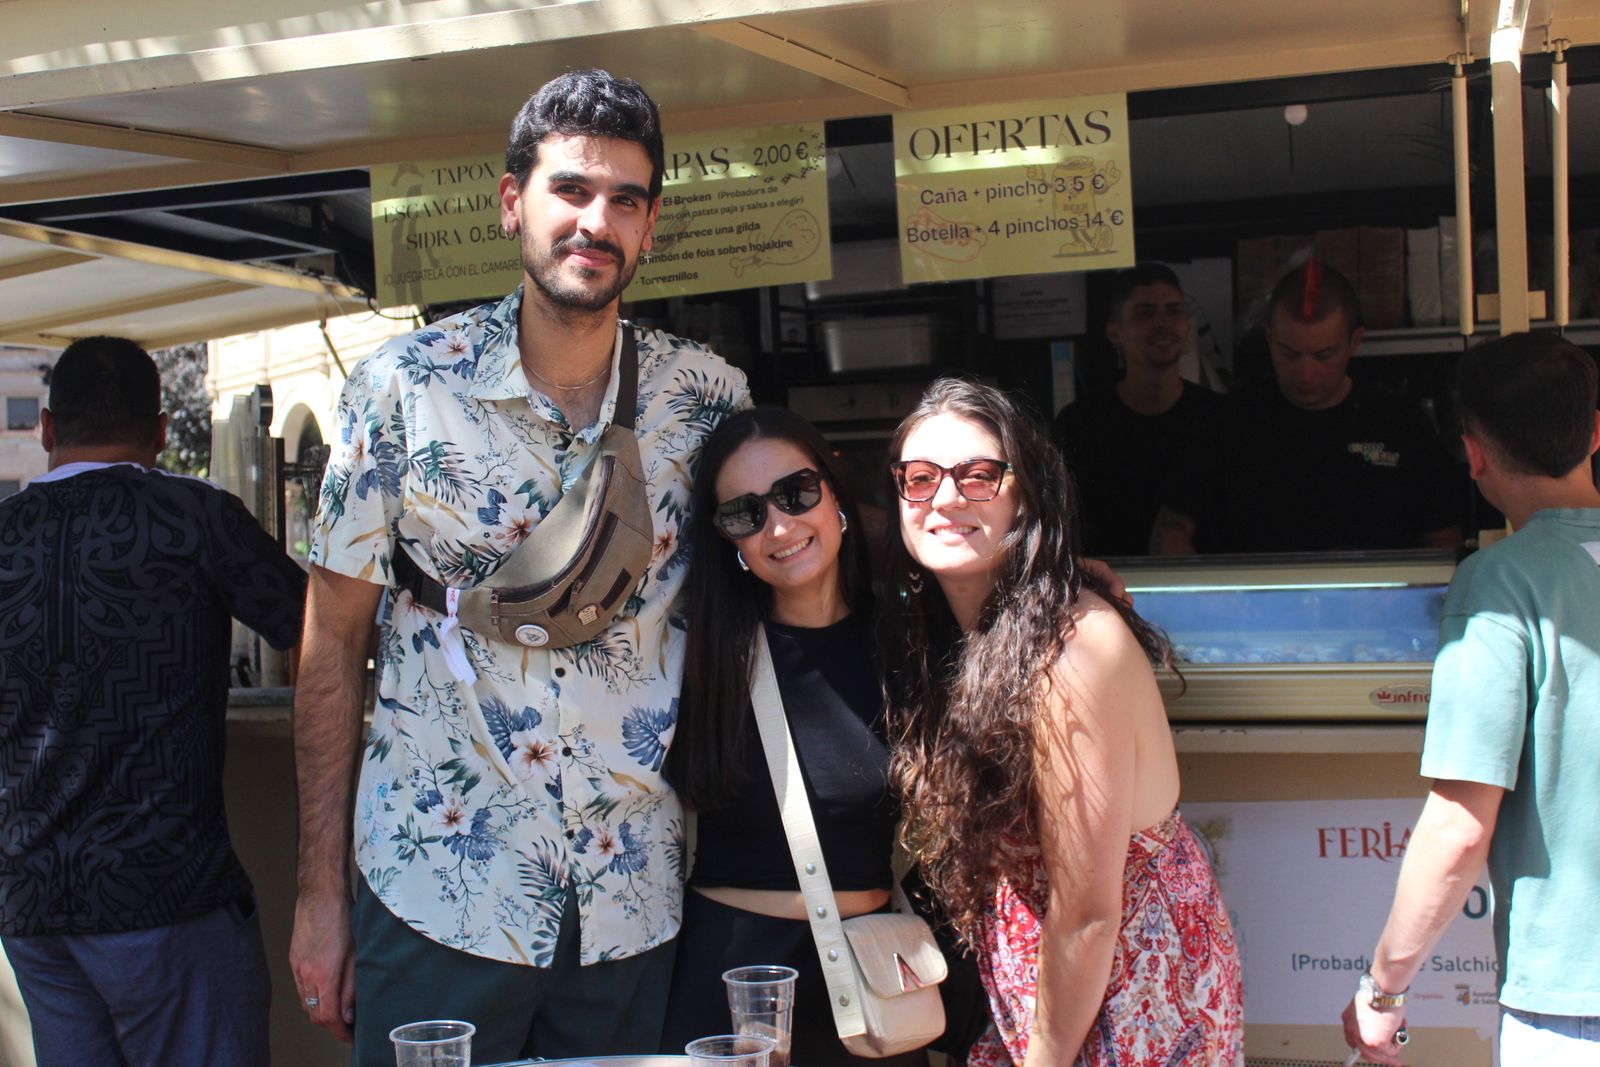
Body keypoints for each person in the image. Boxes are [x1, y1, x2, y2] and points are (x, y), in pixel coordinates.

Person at [291, 69, 750, 1065]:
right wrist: (321, 894)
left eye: (625, 199)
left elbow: (786, 578)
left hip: (631, 894)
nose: (596, 221)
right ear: (512, 203)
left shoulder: (706, 399)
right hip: (440, 885)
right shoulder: (402, 390)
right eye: (571, 190)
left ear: (651, 224)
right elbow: (331, 644)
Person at [883, 378, 1243, 1067]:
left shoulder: (1069, 649)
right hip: (1063, 996)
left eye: (979, 475)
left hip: (1127, 1000)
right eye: (920, 478)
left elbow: (1088, 914)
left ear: (1027, 492)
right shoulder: (964, 632)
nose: (947, 498)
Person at [0, 336, 307, 1067]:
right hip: (170, 894)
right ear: (163, 429)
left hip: (33, 906)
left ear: (47, 428)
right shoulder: (193, 518)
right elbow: (316, 627)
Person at [1341, 332, 1600, 1067]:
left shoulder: (1500, 584)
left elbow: (1459, 826)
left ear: (1474, 454)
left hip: (1575, 998)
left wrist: (1383, 991)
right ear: (1596, 431)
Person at [658, 405, 934, 1065]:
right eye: (744, 513)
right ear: (728, 539)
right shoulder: (696, 652)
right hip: (731, 985)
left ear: (834, 491)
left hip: (873, 987)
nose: (779, 524)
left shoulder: (907, 642)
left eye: (796, 492)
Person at [1153, 262, 1462, 554]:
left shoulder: (1399, 424)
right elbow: (1170, 530)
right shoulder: (1227, 422)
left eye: (1324, 355)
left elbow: (1443, 539)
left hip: (1374, 608)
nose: (1306, 373)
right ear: (1269, 338)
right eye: (1289, 353)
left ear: (1355, 342)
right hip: (1251, 608)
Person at [1053, 263, 1222, 556]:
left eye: (1174, 310)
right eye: (1145, 312)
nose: (1163, 323)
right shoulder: (1080, 425)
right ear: (1114, 332)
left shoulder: (1218, 419)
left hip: (1201, 591)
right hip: (1103, 590)